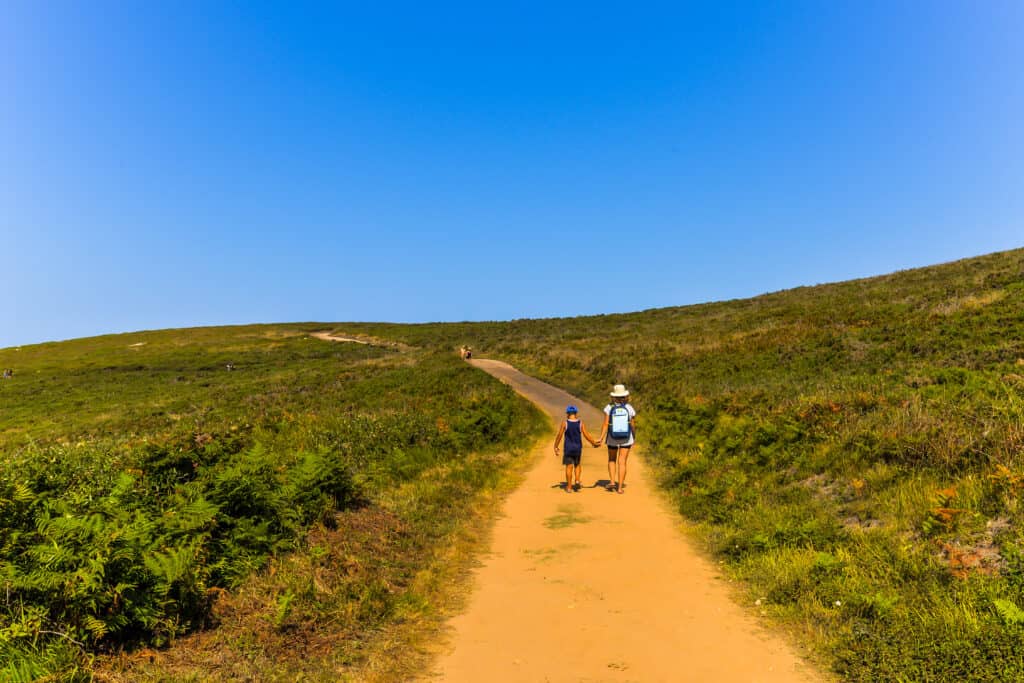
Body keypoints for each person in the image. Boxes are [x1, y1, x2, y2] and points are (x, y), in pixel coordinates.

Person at [598, 384, 637, 494]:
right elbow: (633, 425)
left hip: (612, 437)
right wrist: (634, 437)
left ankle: (612, 482)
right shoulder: (629, 408)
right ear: (625, 396)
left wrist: (601, 437)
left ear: (614, 396)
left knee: (612, 459)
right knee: (622, 462)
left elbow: (605, 424)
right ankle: (620, 487)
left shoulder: (609, 408)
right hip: (626, 438)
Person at [553, 405, 600, 493]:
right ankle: (577, 480)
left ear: (567, 414)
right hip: (578, 448)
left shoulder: (565, 423)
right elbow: (586, 435)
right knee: (577, 465)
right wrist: (594, 443)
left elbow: (559, 435)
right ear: (576, 413)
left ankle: (569, 487)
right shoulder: (580, 423)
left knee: (569, 467)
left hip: (568, 448)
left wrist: (555, 446)